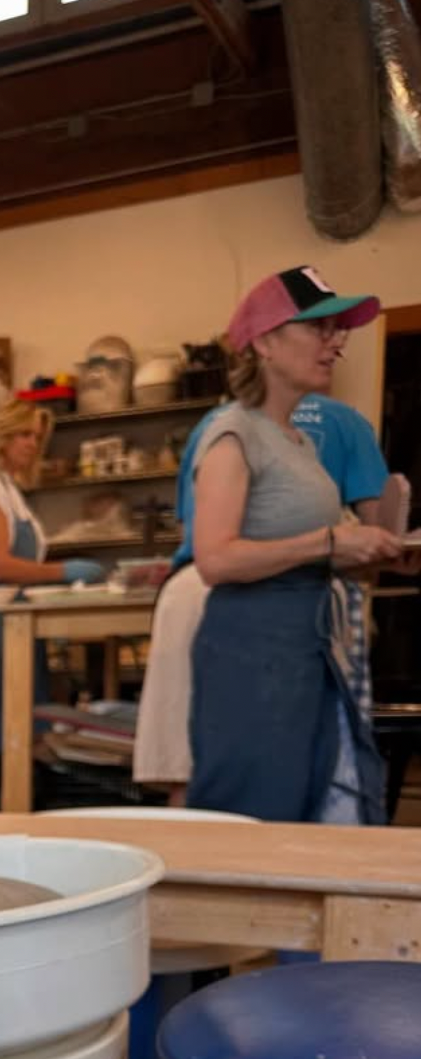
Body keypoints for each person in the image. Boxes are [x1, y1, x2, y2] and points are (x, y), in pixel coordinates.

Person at [187, 266, 405, 822]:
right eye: (318, 328)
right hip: (254, 650)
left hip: (306, 644)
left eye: (338, 330)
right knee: (255, 816)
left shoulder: (298, 442)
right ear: (264, 342)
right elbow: (214, 559)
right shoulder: (233, 433)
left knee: (307, 810)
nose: (336, 343)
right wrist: (329, 542)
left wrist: (372, 549)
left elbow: (315, 547)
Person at [134, 391, 391, 802]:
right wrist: (358, 544)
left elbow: (193, 532)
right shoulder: (342, 423)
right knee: (277, 769)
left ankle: (198, 836)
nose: (333, 354)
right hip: (270, 599)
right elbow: (377, 528)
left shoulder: (214, 425)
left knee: (192, 767)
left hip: (195, 594)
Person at [0, 401, 103, 809]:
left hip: (8, 616)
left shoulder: (7, 487)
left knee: (16, 726)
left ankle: (12, 814)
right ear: (1, 437)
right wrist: (64, 571)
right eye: (24, 435)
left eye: (37, 437)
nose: (33, 444)